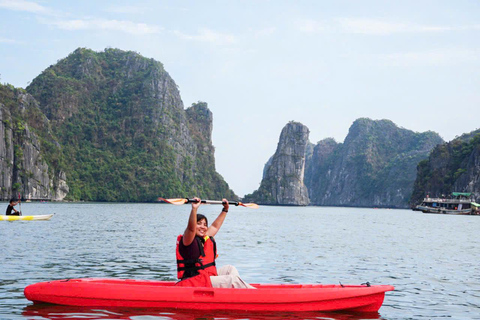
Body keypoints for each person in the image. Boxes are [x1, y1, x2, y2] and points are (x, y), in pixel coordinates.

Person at [175, 197, 255, 288]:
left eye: (205, 225)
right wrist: (194, 209)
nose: (203, 227)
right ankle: (256, 294)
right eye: (199, 223)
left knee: (229, 269)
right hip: (193, 282)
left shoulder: (204, 238)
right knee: (231, 280)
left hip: (205, 277)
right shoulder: (187, 240)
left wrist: (225, 209)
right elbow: (191, 229)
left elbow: (215, 227)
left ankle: (236, 295)